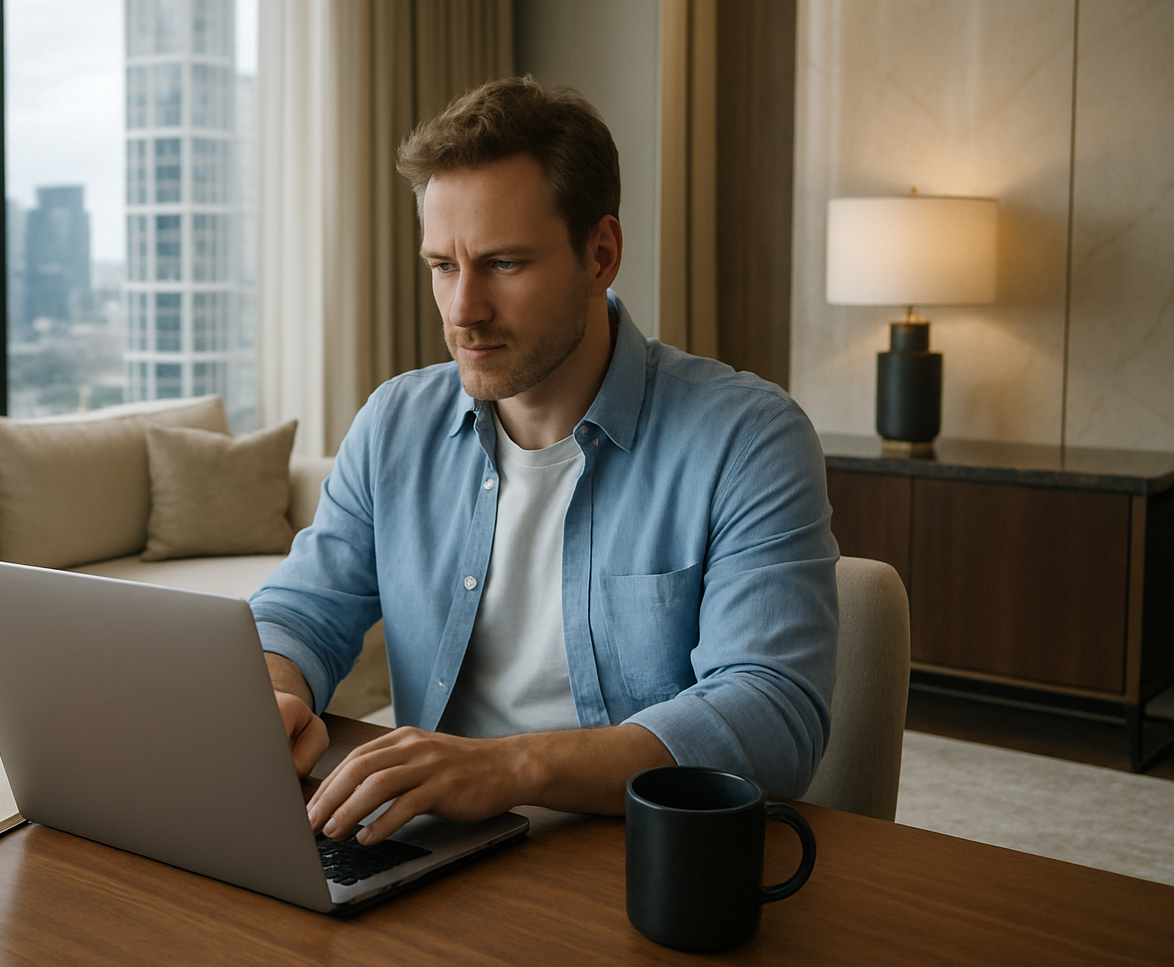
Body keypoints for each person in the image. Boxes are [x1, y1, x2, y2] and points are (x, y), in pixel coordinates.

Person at [251, 76, 838, 846]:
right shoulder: (395, 423)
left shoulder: (747, 439)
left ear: (601, 255)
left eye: (502, 264)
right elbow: (298, 612)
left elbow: (773, 714)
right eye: (443, 265)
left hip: (636, 857)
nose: (463, 310)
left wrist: (510, 768)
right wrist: (276, 689)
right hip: (436, 852)